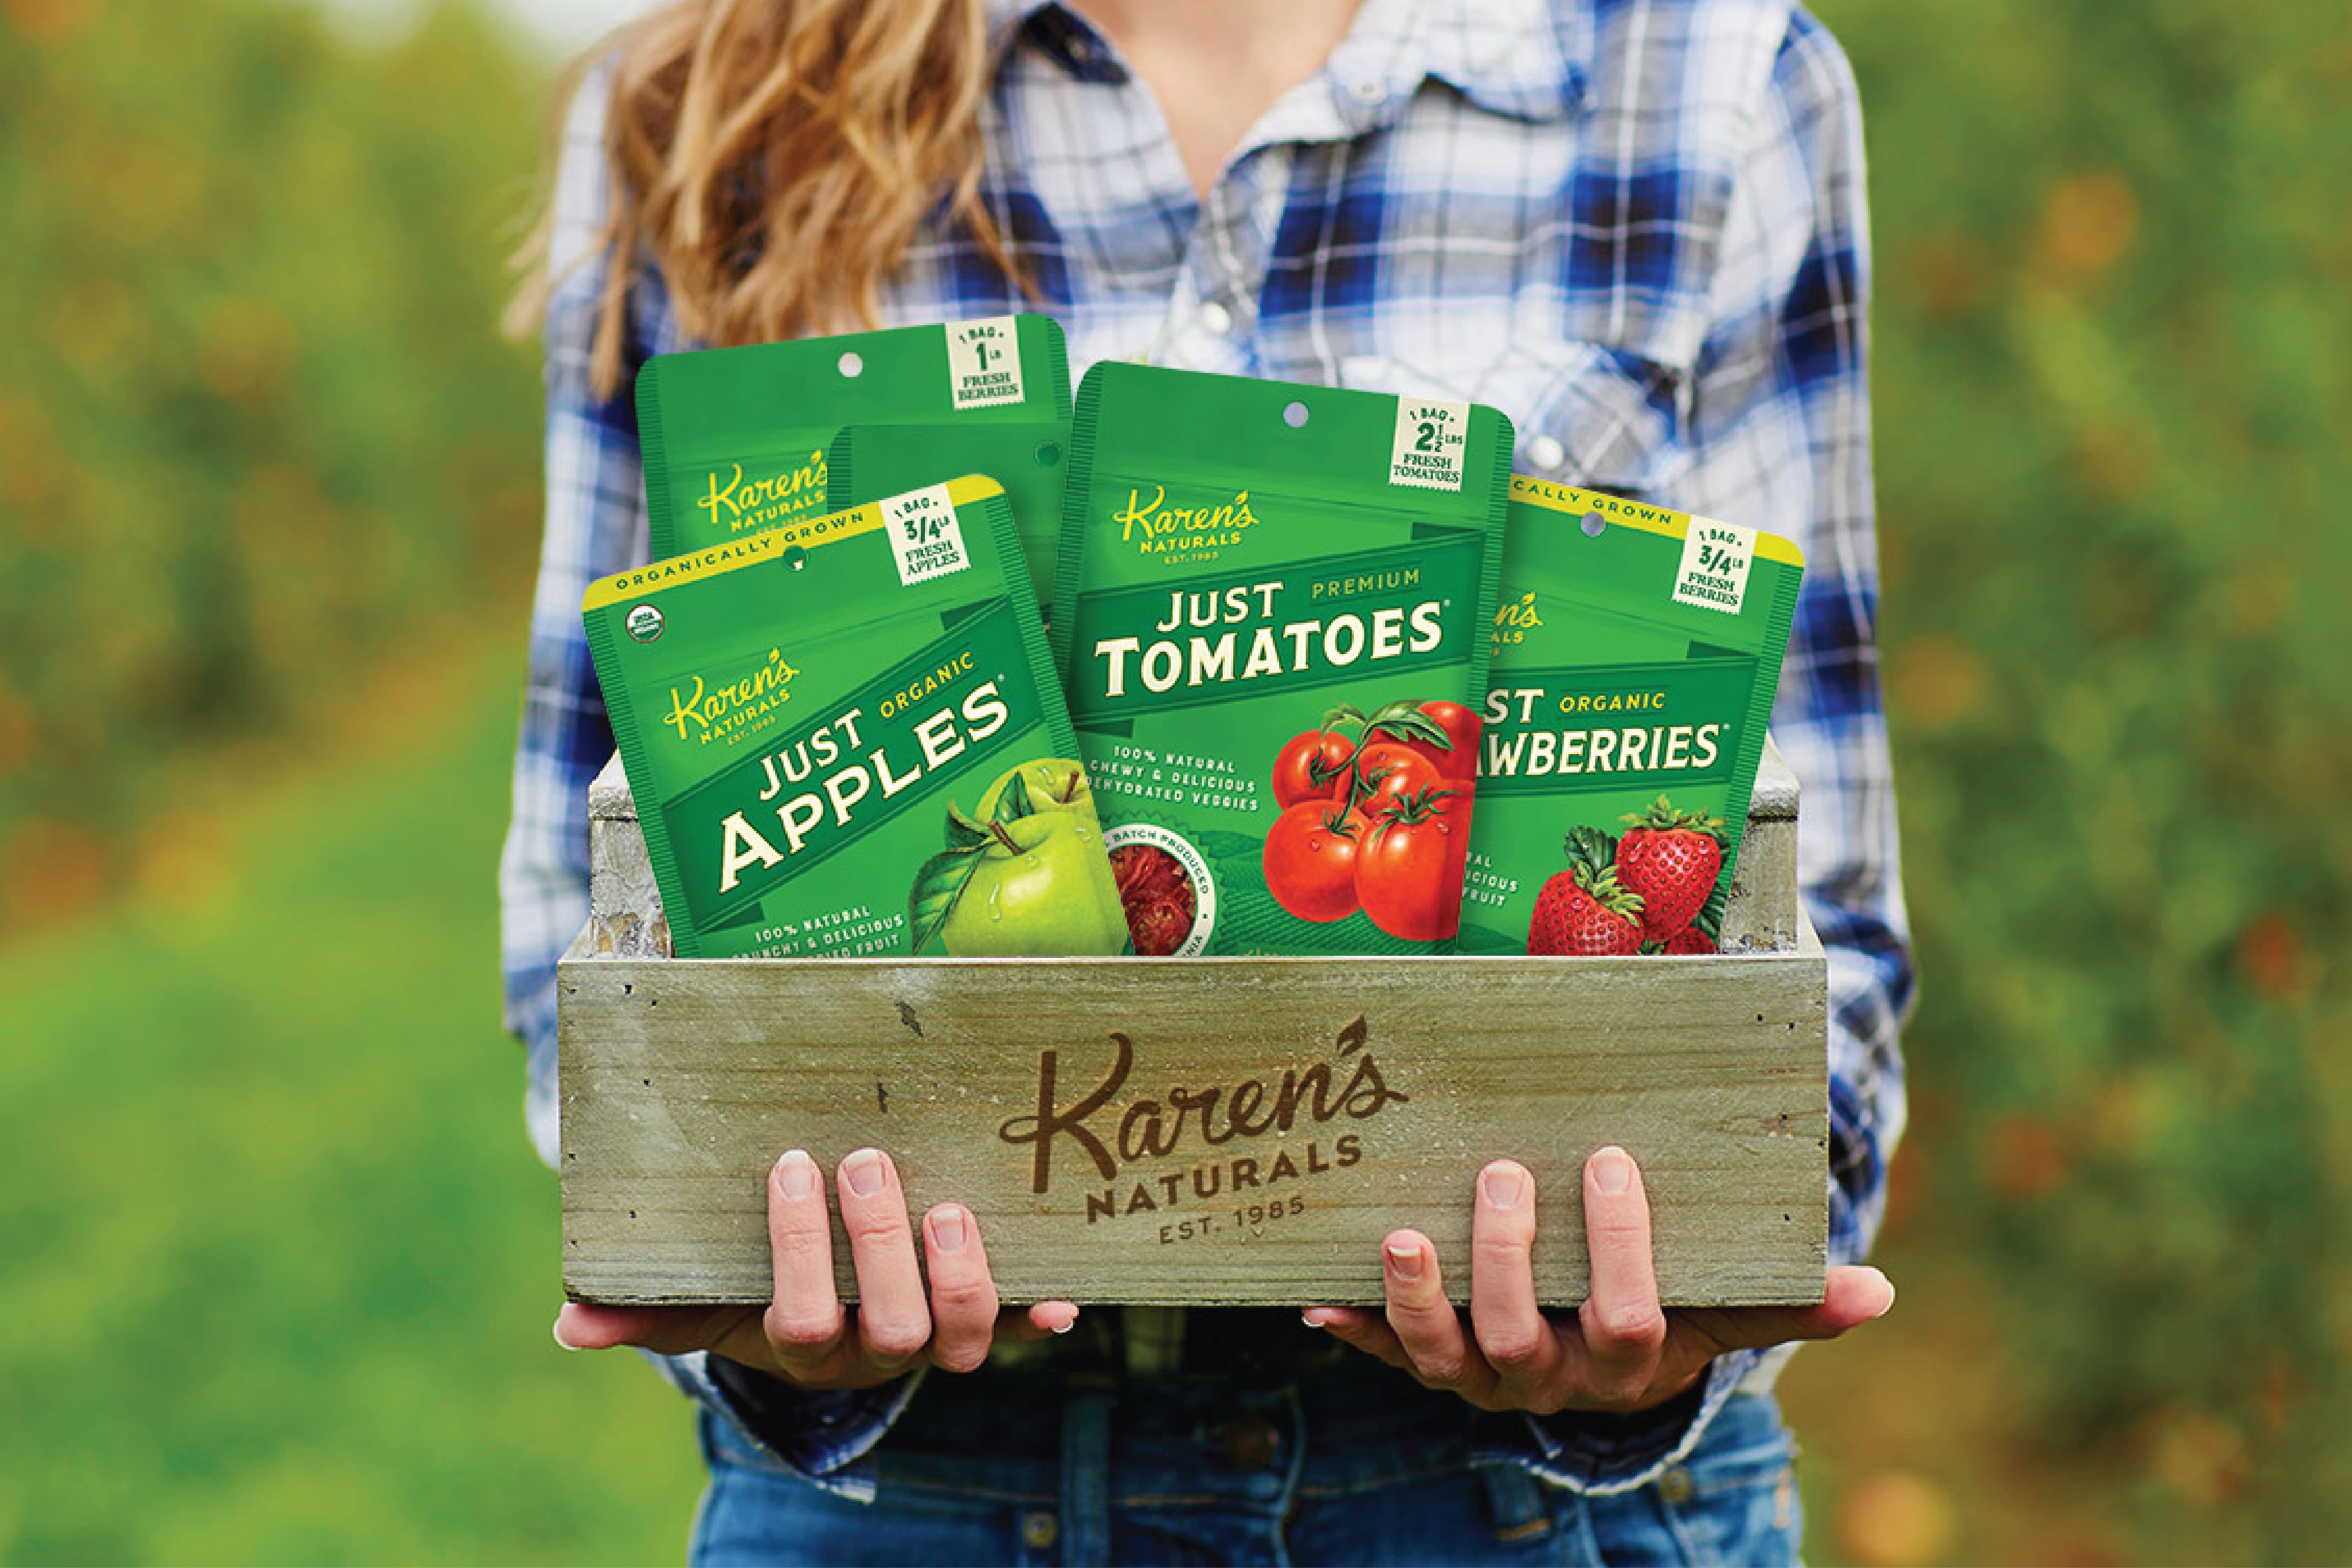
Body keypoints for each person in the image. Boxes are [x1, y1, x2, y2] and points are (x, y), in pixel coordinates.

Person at [499, 0, 1915, 1561]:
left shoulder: (1701, 82)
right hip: (909, 1493)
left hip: (1528, 1500)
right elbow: (595, 902)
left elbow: (1819, 910)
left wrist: (1688, 1300)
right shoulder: (712, 97)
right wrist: (741, 1287)